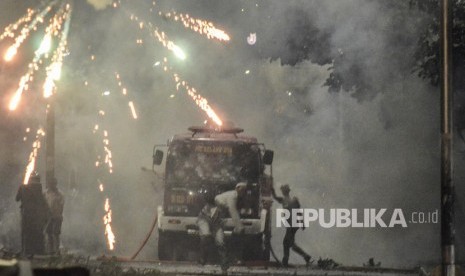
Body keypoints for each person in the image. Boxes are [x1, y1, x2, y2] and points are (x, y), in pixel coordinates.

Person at [197, 182, 247, 271]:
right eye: (242, 189)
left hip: (217, 221)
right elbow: (232, 210)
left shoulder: (236, 198)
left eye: (244, 190)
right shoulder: (232, 196)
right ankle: (202, 259)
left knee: (220, 241)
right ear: (237, 188)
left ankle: (224, 266)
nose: (243, 192)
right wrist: (239, 226)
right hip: (205, 218)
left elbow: (232, 210)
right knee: (206, 236)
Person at [272, 184, 311, 267]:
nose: (282, 191)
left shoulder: (293, 200)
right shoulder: (283, 200)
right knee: (288, 243)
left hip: (292, 224)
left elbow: (298, 212)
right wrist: (272, 189)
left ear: (286, 191)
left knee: (288, 242)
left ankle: (287, 260)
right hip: (290, 224)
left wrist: (302, 223)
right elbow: (275, 197)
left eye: (283, 190)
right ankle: (305, 256)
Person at [15, 172, 49, 256]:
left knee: (26, 233)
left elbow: (17, 198)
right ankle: (38, 251)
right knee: (37, 233)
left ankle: (25, 251)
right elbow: (43, 202)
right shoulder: (39, 189)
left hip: (26, 214)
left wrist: (22, 187)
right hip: (37, 215)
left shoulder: (23, 187)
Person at [44, 177, 64, 255]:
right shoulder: (45, 193)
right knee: (49, 233)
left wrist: (57, 214)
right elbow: (43, 204)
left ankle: (57, 251)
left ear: (55, 184)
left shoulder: (60, 194)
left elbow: (61, 206)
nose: (51, 185)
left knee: (55, 234)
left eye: (53, 184)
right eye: (50, 184)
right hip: (48, 217)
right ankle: (50, 251)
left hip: (57, 217)